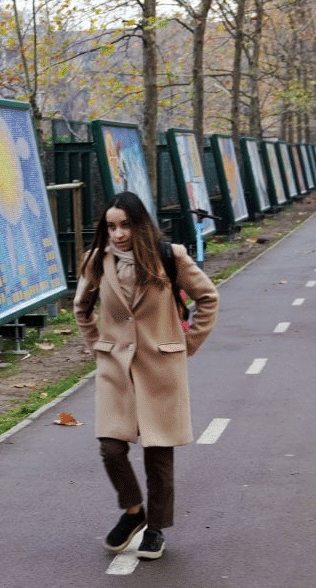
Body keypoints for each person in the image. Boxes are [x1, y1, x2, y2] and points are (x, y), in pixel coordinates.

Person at [73, 191, 219, 560]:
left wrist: (187, 344)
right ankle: (133, 511)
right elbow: (82, 308)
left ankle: (156, 528)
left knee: (158, 453)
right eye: (111, 227)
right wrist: (98, 347)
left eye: (125, 225)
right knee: (110, 447)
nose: (118, 234)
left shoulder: (170, 256)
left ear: (140, 225)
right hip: (115, 369)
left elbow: (207, 298)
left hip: (160, 366)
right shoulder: (96, 260)